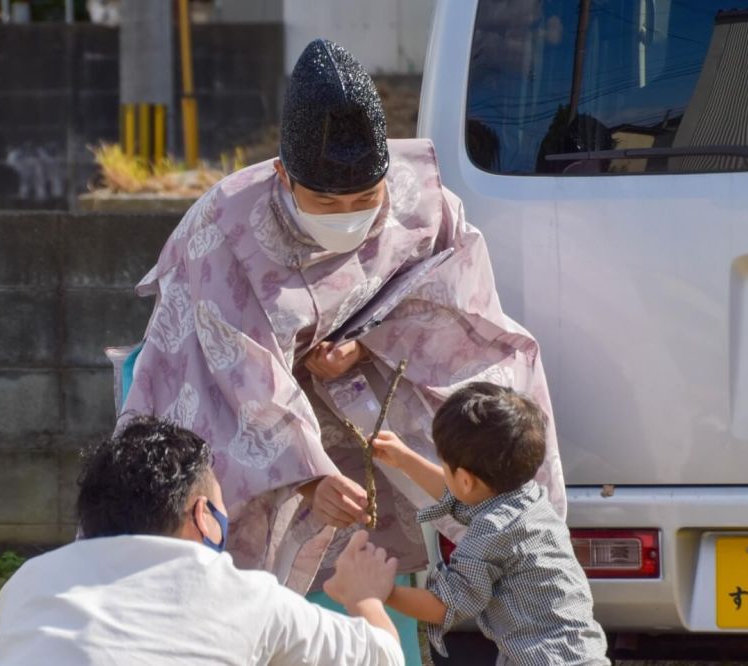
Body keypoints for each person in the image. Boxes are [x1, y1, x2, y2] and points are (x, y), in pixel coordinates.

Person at [113, 37, 566, 661]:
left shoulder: (424, 205)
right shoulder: (225, 229)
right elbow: (225, 366)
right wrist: (303, 475)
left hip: (372, 438)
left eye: (365, 199)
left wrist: (371, 343)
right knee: (260, 606)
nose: (348, 215)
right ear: (282, 174)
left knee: (376, 566)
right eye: (326, 202)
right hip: (260, 438)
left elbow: (467, 324)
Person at [0, 417, 405, 666]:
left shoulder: (30, 582)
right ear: (204, 516)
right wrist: (365, 597)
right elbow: (384, 659)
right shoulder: (243, 596)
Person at [363, 382, 609, 665]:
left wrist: (378, 591)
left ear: (465, 479)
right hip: (581, 653)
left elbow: (446, 605)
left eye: (445, 466)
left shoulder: (492, 529)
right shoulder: (528, 497)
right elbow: (462, 495)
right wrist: (405, 460)